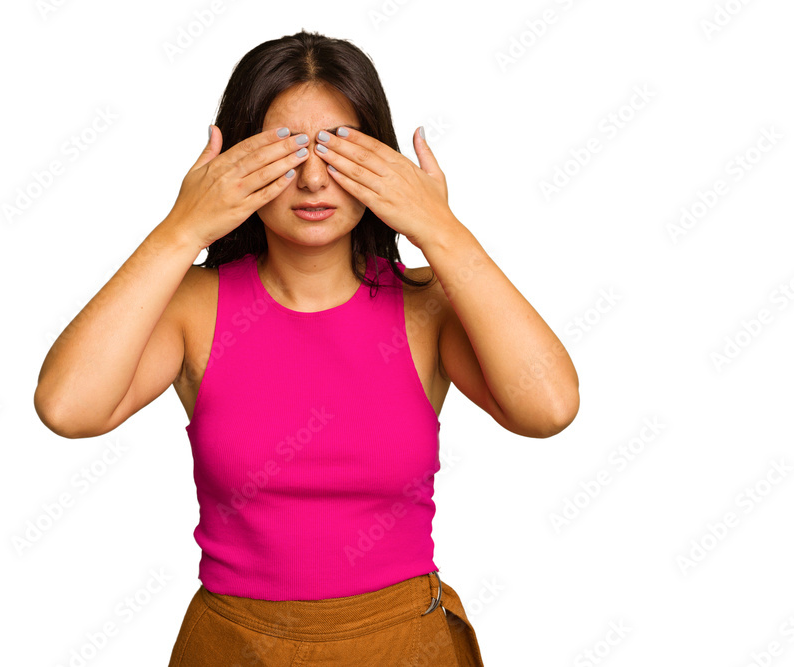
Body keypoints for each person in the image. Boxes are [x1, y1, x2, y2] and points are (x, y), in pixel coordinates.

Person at [34, 29, 578, 666]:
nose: (314, 179)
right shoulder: (191, 305)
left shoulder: (429, 302)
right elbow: (67, 408)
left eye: (341, 151)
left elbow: (549, 408)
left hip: (403, 644)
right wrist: (182, 227)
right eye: (284, 152)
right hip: (234, 646)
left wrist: (440, 229)